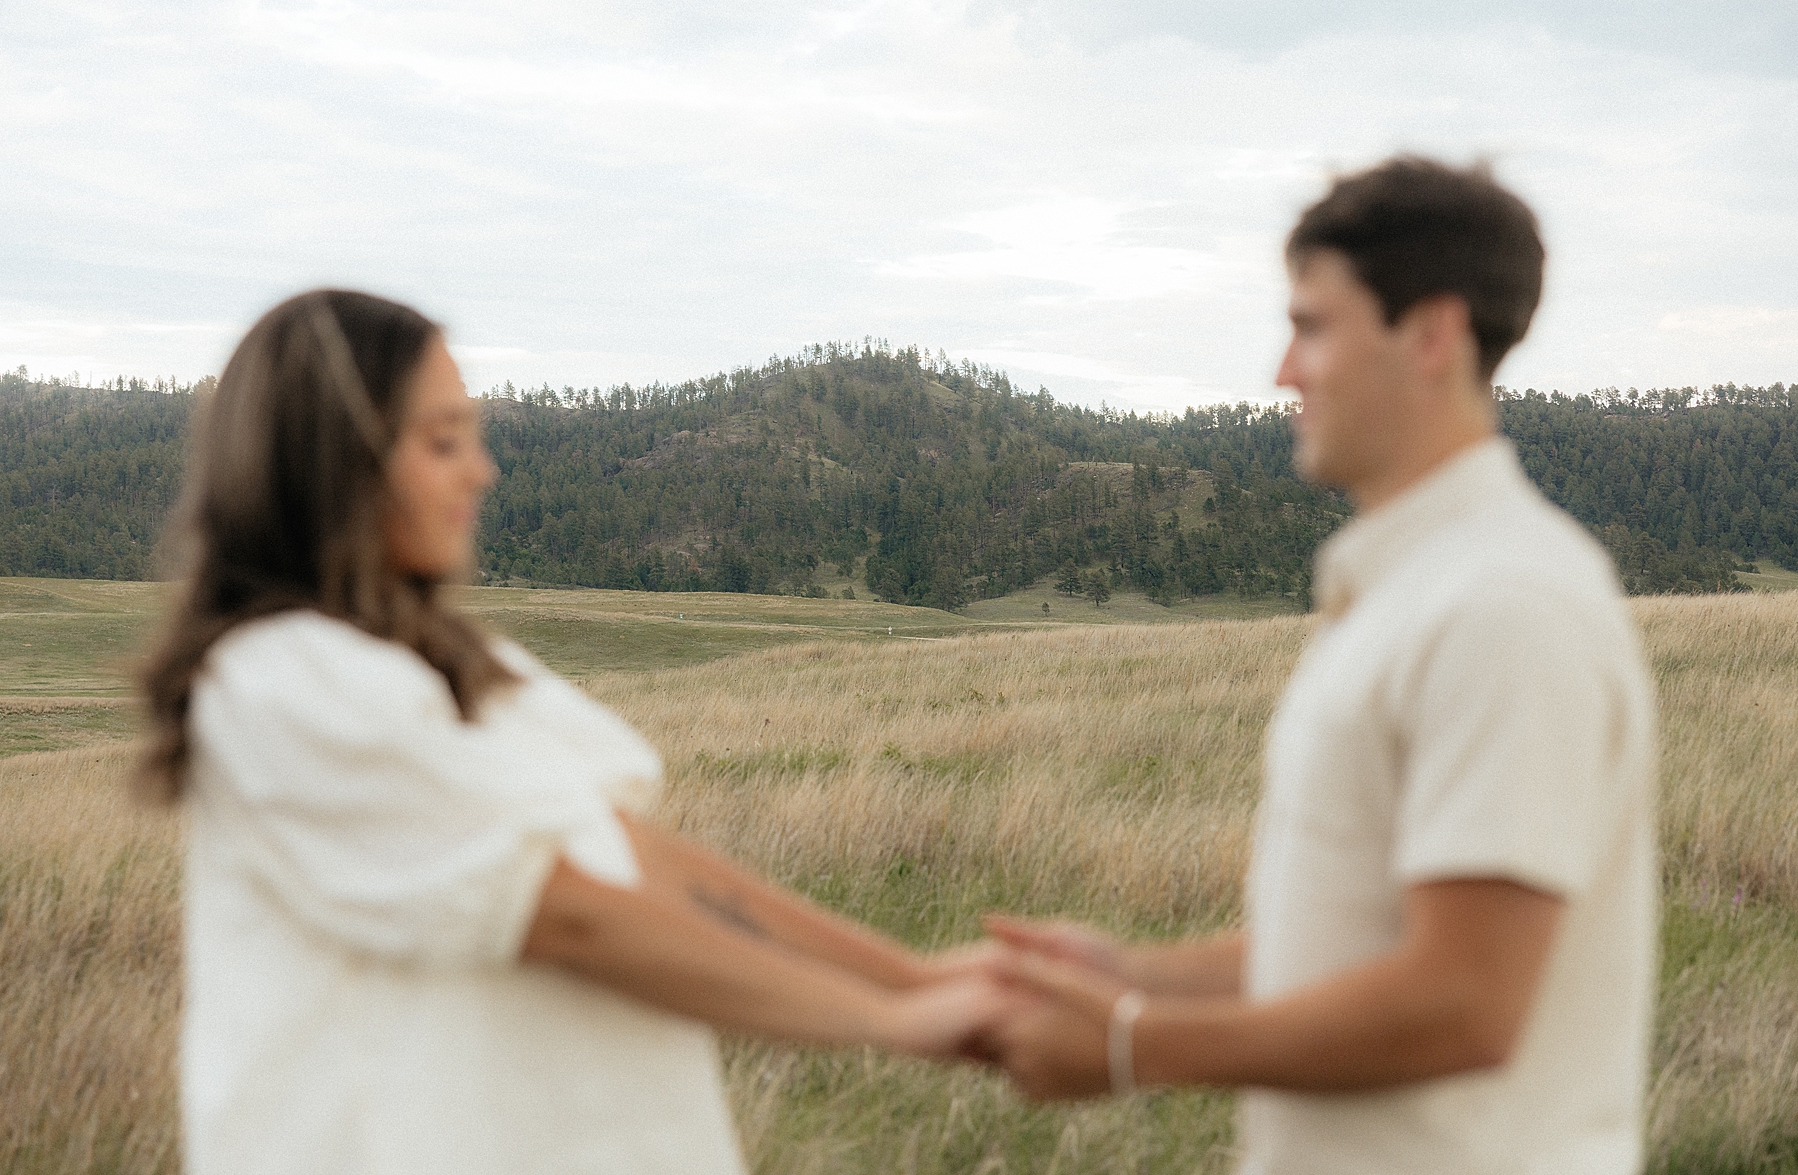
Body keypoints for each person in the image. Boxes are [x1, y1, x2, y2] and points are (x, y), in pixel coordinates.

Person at [138, 289, 1004, 1175]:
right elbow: (563, 912)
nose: (482, 472)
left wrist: (916, 975)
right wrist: (890, 1023)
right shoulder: (279, 679)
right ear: (334, 465)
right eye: (443, 441)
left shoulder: (461, 662)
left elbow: (637, 857)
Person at [987, 156, 1658, 1174]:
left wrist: (1134, 1044)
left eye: (1312, 326)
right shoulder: (1413, 593)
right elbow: (1360, 950)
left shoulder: (1503, 606)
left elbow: (1463, 1004)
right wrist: (1131, 973)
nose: (1282, 372)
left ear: (1431, 334)